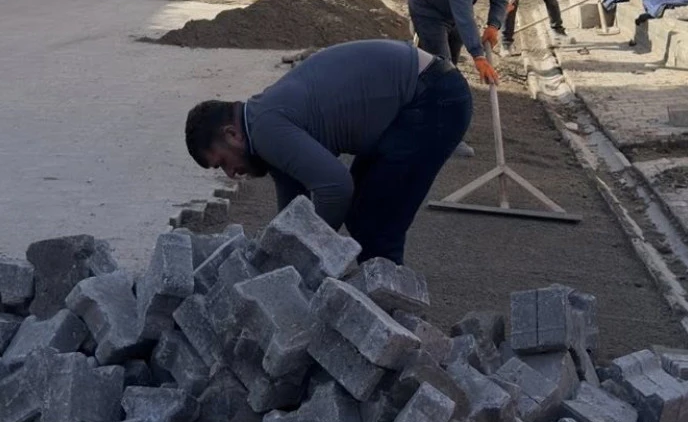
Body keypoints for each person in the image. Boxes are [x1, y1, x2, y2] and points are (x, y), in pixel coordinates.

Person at [183, 37, 472, 263]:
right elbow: (294, 212)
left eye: (222, 162)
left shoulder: (266, 128)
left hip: (433, 101)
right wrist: (275, 259)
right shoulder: (263, 121)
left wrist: (312, 254)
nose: (232, 173)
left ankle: (396, 322)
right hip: (424, 94)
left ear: (231, 134)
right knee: (361, 215)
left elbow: (335, 188)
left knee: (376, 225)